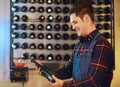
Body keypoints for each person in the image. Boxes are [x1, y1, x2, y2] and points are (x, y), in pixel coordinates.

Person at [36, 1, 114, 87]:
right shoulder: (78, 45)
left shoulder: (101, 45)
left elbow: (94, 82)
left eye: (75, 22)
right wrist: (47, 72)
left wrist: (63, 84)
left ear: (86, 19)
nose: (73, 27)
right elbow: (68, 70)